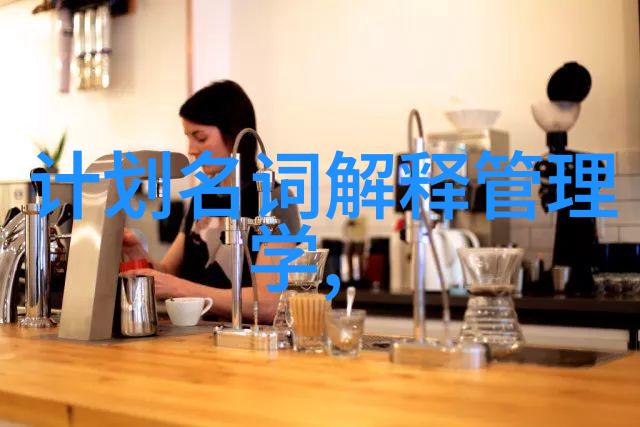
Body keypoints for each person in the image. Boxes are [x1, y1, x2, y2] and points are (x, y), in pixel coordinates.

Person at [122, 80, 300, 323]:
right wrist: (138, 255)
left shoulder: (274, 199)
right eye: (188, 137)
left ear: (233, 135)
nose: (191, 149)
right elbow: (169, 273)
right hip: (195, 336)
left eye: (200, 138)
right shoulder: (201, 197)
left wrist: (179, 288)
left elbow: (268, 303)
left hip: (248, 341)